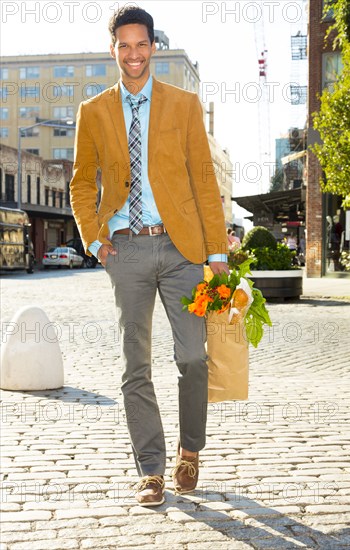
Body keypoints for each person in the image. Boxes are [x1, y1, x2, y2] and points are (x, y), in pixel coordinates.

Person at [70, 5, 229, 507]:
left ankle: (190, 450)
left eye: (142, 45)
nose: (133, 54)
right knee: (134, 363)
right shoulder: (92, 112)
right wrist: (96, 241)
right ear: (112, 49)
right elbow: (80, 183)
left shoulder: (183, 105)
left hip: (182, 249)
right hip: (127, 249)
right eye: (124, 45)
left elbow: (205, 179)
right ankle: (151, 469)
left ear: (153, 47)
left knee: (193, 358)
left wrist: (218, 252)